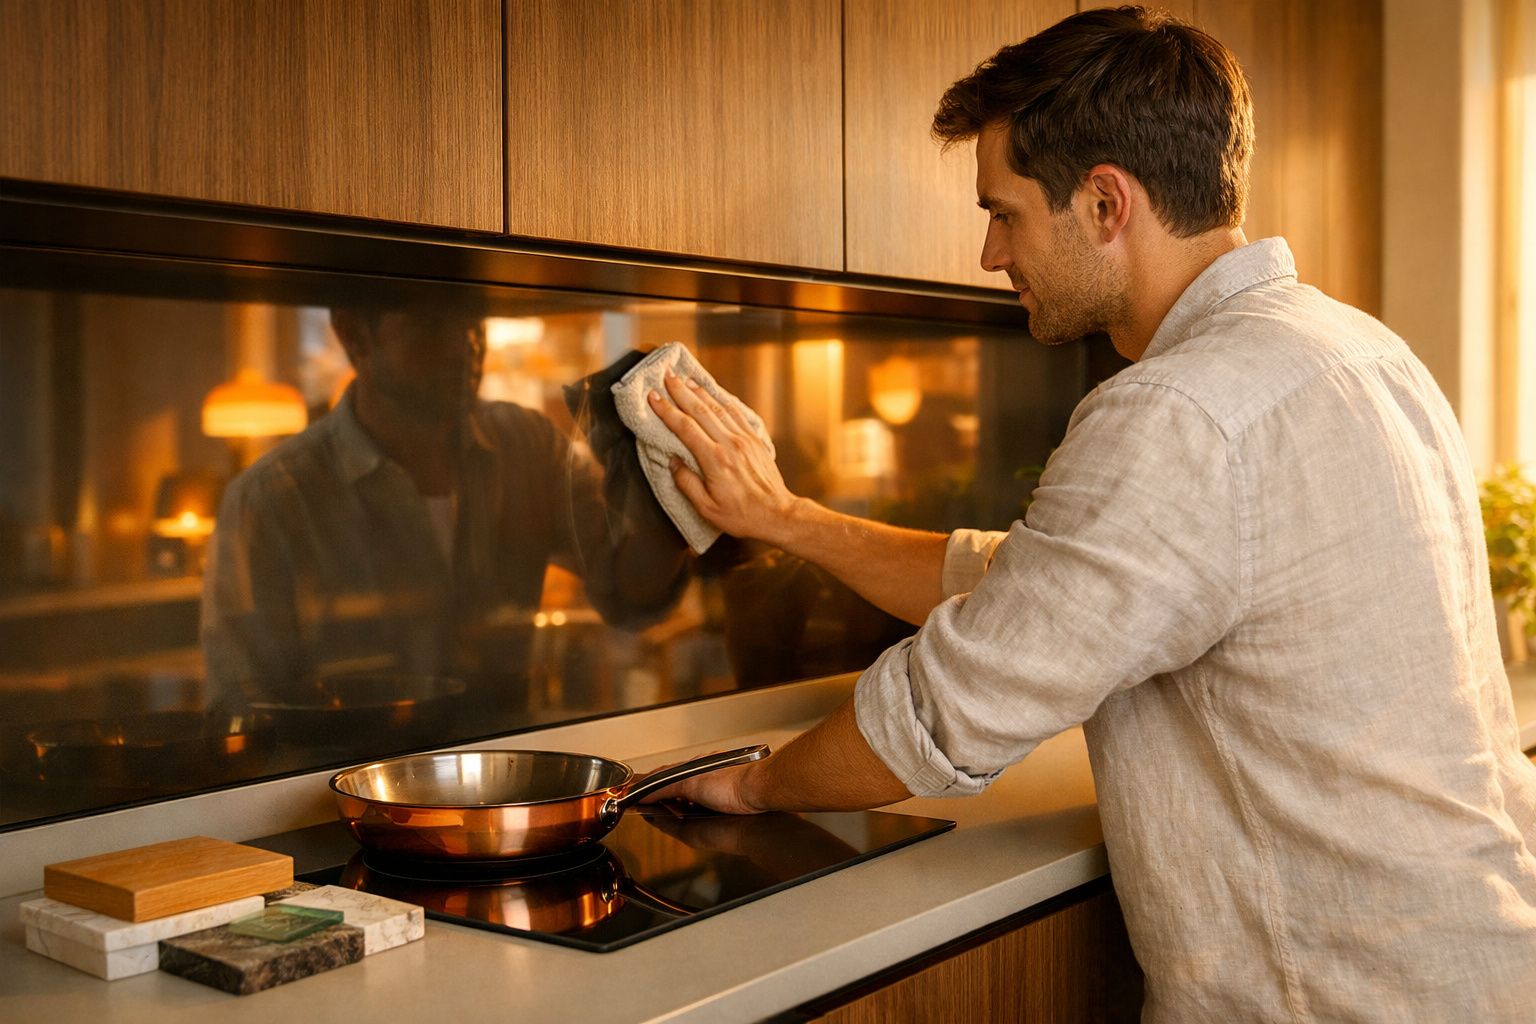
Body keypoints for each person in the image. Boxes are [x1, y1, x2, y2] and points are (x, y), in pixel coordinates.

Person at [644, 7, 1536, 1021]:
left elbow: (939, 716)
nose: (989, 253)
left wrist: (751, 787)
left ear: (1106, 202)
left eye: (1005, 213)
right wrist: (789, 517)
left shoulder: (1178, 410)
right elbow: (1040, 585)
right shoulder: (1363, 352)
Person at [201, 303, 689, 716]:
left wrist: (667, 471)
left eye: (472, 323)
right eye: (430, 325)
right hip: (347, 797)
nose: (464, 348)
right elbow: (246, 702)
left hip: (505, 781)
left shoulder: (527, 445)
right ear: (354, 336)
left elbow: (631, 590)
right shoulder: (272, 499)